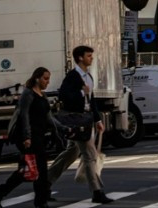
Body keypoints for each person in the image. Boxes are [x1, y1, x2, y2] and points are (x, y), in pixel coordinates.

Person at [48, 46, 113, 204]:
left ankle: (44, 182)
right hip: (76, 120)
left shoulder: (88, 76)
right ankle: (97, 191)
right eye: (88, 56)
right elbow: (64, 95)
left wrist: (98, 120)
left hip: (86, 118)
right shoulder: (73, 76)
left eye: (91, 55)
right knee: (90, 155)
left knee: (72, 152)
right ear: (79, 58)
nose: (91, 58)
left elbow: (92, 100)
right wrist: (81, 93)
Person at [0, 67, 66, 208]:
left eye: (48, 79)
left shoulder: (42, 96)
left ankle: (3, 190)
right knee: (39, 170)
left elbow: (49, 118)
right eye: (45, 78)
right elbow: (24, 116)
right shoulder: (28, 94)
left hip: (39, 136)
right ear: (37, 78)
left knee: (30, 170)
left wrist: (64, 128)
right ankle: (40, 202)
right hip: (28, 138)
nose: (47, 82)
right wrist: (27, 137)